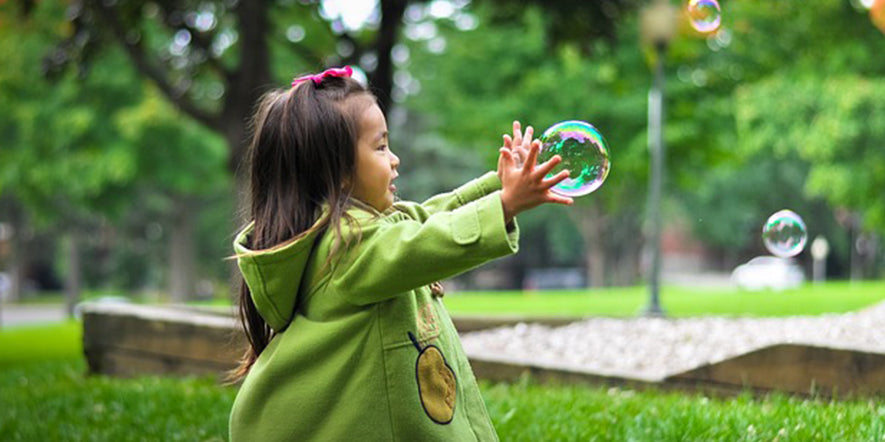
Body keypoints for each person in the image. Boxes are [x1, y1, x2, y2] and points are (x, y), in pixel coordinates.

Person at [228, 65, 573, 441]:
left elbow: (425, 218)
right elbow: (423, 243)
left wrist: (498, 188)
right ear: (339, 172)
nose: (394, 159)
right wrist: (504, 205)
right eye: (380, 147)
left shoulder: (361, 232)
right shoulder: (344, 250)